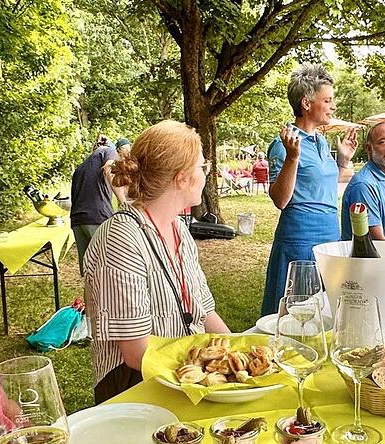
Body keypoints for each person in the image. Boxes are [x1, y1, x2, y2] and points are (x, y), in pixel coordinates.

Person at [84, 120, 231, 403]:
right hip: (137, 394)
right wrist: (202, 366)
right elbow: (137, 353)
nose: (206, 174)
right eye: (202, 167)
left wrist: (238, 351)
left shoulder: (180, 231)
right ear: (182, 179)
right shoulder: (121, 238)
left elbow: (204, 312)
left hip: (183, 383)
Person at [261, 64, 358, 315]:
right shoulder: (284, 144)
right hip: (299, 240)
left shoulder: (322, 142)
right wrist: (293, 158)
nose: (333, 106)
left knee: (323, 313)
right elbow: (280, 200)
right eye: (327, 100)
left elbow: (319, 187)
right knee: (294, 314)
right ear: (306, 103)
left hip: (329, 235)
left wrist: (343, 161)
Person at [70, 135, 119, 273]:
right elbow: (109, 169)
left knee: (88, 272)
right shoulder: (108, 151)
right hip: (97, 217)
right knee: (108, 269)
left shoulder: (80, 167)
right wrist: (124, 200)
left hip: (77, 221)